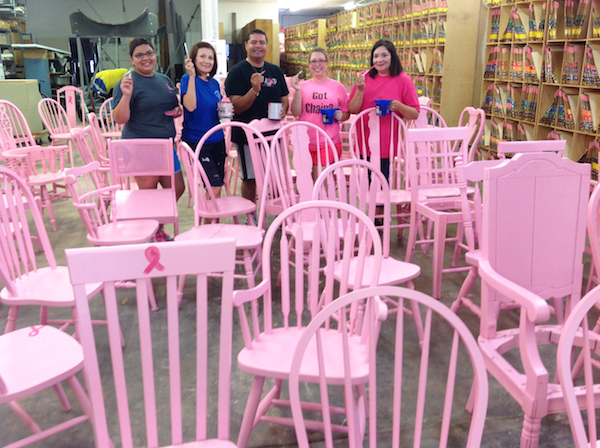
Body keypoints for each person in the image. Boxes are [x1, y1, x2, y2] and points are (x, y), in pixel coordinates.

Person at [112, 37, 185, 241]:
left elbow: (171, 104)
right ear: (132, 59)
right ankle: (150, 235)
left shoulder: (164, 79)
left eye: (149, 53)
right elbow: (120, 118)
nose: (146, 58)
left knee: (177, 188)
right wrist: (126, 96)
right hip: (140, 146)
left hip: (165, 144)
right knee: (149, 194)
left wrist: (177, 110)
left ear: (155, 55)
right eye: (140, 55)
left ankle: (155, 228)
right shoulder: (127, 82)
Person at [225, 29, 289, 203]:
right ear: (246, 45)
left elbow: (284, 99)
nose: (258, 46)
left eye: (262, 42)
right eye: (254, 42)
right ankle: (250, 216)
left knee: (276, 177)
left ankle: (279, 214)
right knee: (250, 178)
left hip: (273, 135)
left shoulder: (275, 71)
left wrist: (283, 110)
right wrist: (254, 90)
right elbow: (238, 107)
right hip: (246, 136)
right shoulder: (237, 72)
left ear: (267, 46)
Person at [348, 39, 420, 178]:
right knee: (366, 183)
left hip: (386, 143)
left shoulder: (403, 80)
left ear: (392, 56)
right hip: (364, 140)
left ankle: (380, 201)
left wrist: (399, 106)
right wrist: (360, 90)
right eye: (375, 56)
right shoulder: (364, 77)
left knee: (381, 182)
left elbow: (415, 113)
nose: (379, 60)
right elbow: (353, 109)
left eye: (384, 55)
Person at [290, 47, 350, 178]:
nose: (317, 65)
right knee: (306, 183)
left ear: (327, 63)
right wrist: (298, 91)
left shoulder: (338, 87)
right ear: (309, 65)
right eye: (313, 61)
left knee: (321, 182)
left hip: (328, 141)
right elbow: (296, 112)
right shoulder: (302, 86)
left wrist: (341, 115)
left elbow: (346, 113)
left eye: (321, 61)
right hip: (305, 141)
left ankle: (323, 198)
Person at [181, 41, 226, 198]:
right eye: (202, 57)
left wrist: (225, 112)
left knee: (218, 187)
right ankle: (207, 222)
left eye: (210, 58)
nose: (207, 61)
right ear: (193, 59)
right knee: (214, 187)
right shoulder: (187, 79)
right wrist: (192, 76)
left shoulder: (214, 83)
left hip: (217, 139)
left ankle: (211, 222)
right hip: (197, 141)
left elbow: (214, 111)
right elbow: (190, 106)